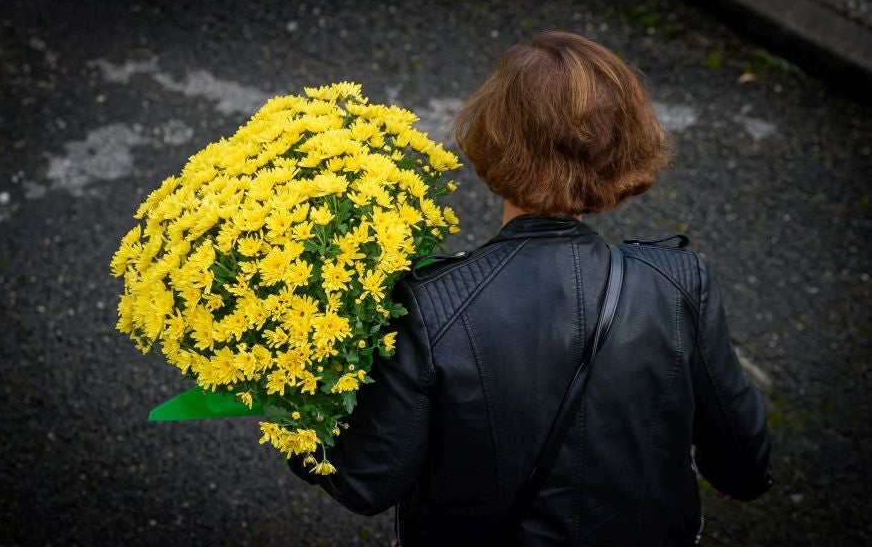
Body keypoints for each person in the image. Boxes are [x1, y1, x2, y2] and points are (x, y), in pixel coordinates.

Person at [289, 31, 772, 545]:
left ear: (492, 138)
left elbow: (367, 481)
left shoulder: (431, 305)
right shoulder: (679, 284)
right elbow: (742, 460)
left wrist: (294, 397)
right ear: (624, 145)